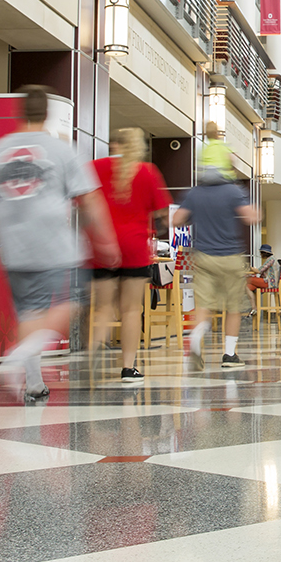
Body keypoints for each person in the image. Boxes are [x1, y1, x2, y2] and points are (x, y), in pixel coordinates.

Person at [0, 85, 119, 403]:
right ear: (46, 114)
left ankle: (33, 382)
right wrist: (105, 239)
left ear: (19, 112)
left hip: (15, 249)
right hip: (55, 246)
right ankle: (20, 354)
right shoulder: (61, 149)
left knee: (30, 311)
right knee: (73, 301)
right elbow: (89, 198)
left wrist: (2, 238)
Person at [89, 127, 171, 382]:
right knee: (132, 310)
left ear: (113, 144)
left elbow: (83, 202)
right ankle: (128, 367)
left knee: (103, 308)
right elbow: (163, 212)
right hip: (135, 247)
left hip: (102, 246)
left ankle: (94, 351)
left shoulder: (95, 167)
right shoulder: (148, 172)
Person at [174, 179, 259, 370]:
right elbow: (251, 216)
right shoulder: (233, 191)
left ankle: (196, 337)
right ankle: (229, 354)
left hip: (203, 257)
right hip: (230, 257)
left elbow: (176, 219)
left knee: (203, 305)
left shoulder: (195, 192)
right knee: (233, 307)